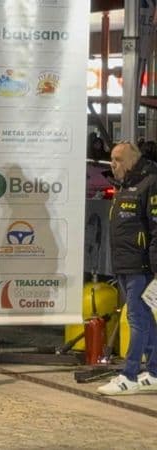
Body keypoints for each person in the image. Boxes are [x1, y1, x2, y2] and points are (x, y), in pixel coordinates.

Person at [97, 141, 157, 395]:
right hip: (123, 264)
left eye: (118, 159)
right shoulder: (122, 187)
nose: (113, 163)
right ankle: (154, 371)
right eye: (112, 158)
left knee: (137, 319)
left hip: (140, 266)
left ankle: (129, 374)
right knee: (144, 319)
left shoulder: (150, 184)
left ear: (133, 160)